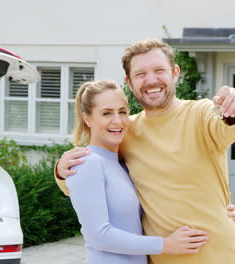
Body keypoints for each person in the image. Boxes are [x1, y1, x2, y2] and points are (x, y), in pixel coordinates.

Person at [56, 39, 235, 264]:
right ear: (129, 82)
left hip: (216, 255)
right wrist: (61, 171)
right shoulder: (125, 132)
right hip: (161, 258)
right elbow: (92, 179)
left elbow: (230, 126)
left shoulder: (201, 114)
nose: (151, 80)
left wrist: (233, 111)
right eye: (140, 74)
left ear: (175, 73)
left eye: (159, 70)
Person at [66, 80, 209, 264]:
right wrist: (165, 244)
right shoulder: (87, 162)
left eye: (122, 112)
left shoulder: (121, 163)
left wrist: (218, 208)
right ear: (87, 118)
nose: (117, 120)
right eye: (107, 113)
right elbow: (98, 236)